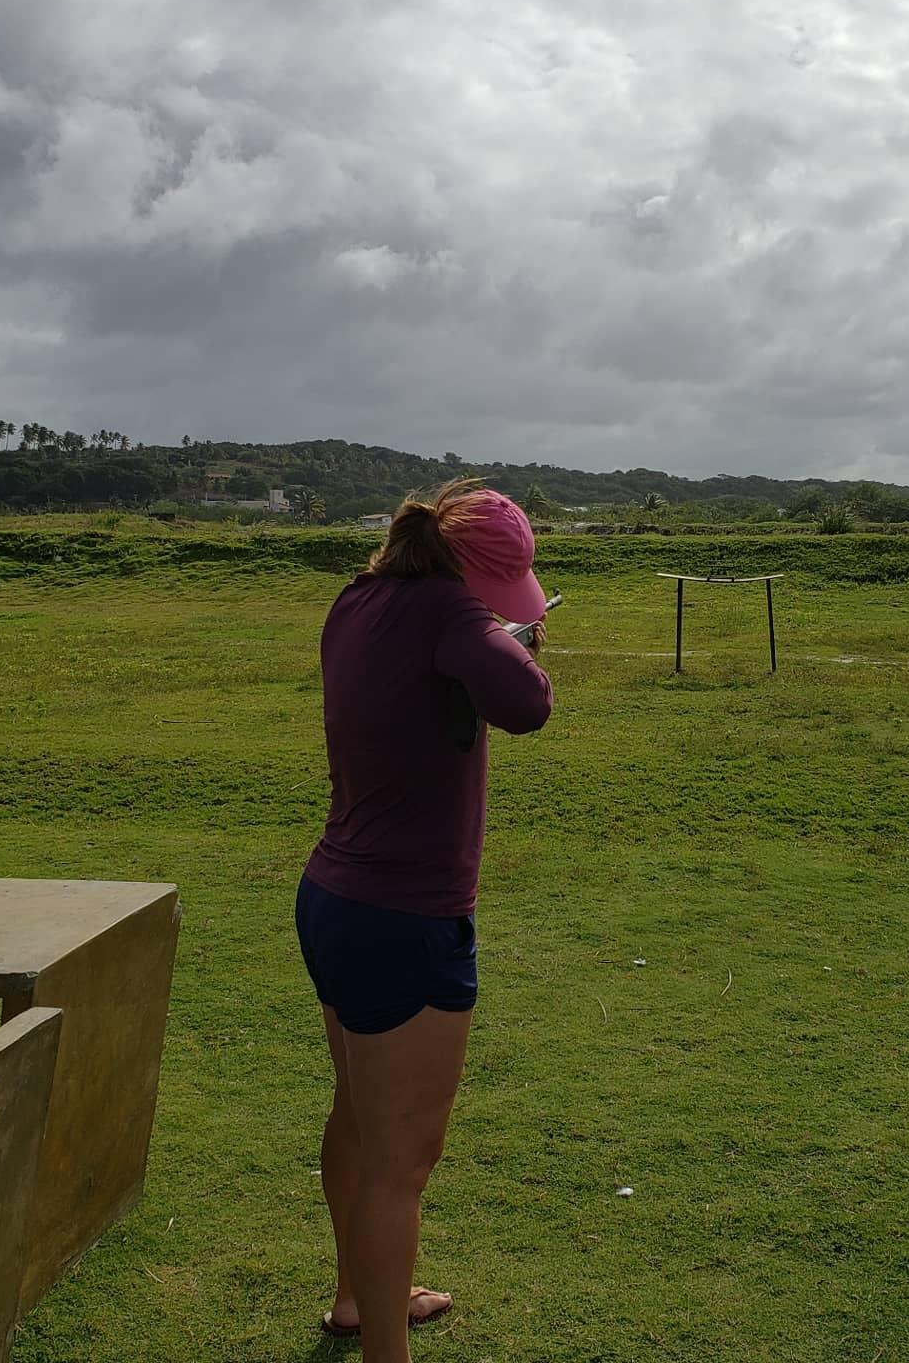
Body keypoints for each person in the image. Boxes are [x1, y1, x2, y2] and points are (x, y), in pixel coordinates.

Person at [296, 480, 554, 1363]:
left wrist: (494, 639)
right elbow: (528, 706)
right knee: (402, 1160)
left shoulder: (360, 596)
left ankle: (357, 1299)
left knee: (362, 1124)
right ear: (475, 574)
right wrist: (515, 643)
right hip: (405, 920)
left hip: (336, 898)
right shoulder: (454, 615)